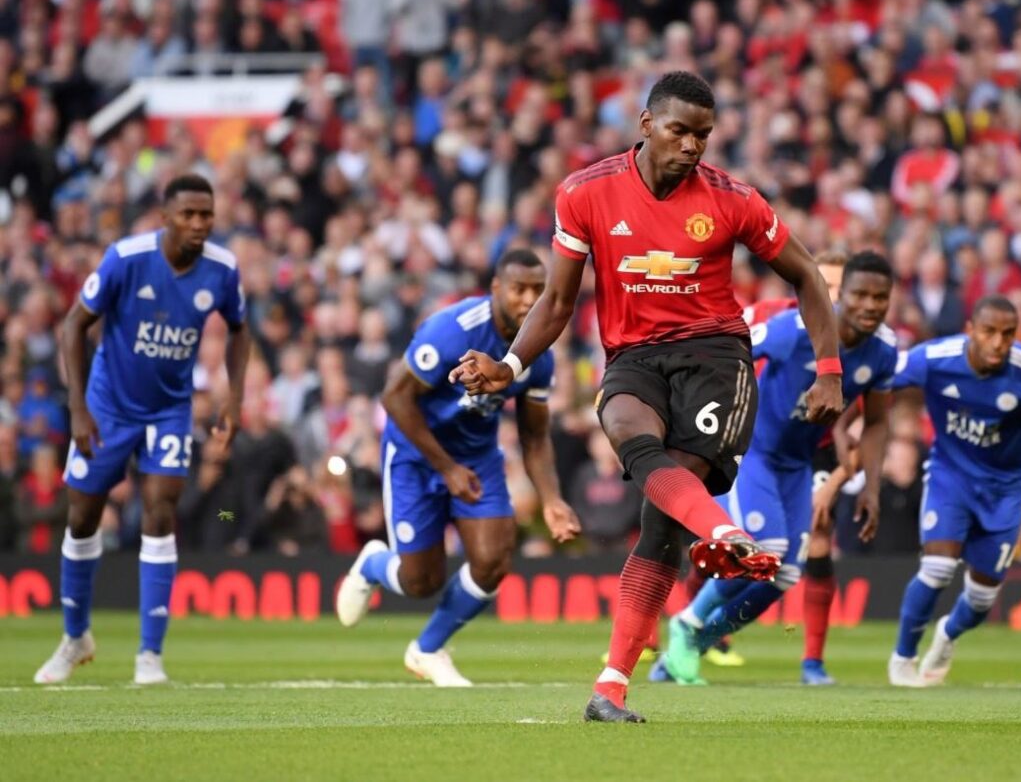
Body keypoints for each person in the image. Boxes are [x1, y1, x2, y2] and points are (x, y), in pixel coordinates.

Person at [450, 71, 844, 722]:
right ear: (646, 124)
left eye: (703, 135)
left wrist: (829, 370)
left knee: (660, 527)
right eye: (679, 130)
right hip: (632, 357)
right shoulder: (585, 192)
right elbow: (558, 300)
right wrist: (511, 364)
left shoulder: (733, 200)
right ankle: (725, 535)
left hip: (716, 359)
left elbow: (807, 275)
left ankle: (610, 686)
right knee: (626, 428)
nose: (692, 145)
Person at [35, 174, 249, 685]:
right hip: (107, 407)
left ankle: (150, 655)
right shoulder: (126, 258)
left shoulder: (222, 268)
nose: (198, 223)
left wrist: (235, 396)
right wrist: (78, 407)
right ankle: (75, 637)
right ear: (165, 216)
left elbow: (240, 329)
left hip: (169, 409)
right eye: (188, 214)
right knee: (82, 515)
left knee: (161, 510)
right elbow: (74, 324)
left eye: (206, 214)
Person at [335, 249, 581, 686]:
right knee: (420, 582)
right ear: (496, 288)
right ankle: (374, 564)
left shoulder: (536, 355)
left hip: (477, 457)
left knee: (493, 560)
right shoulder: (452, 330)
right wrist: (446, 467)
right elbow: (394, 398)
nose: (529, 300)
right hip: (415, 456)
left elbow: (534, 434)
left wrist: (551, 499)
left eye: (537, 290)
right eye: (519, 289)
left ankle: (427, 649)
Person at [653, 251, 897, 687]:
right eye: (858, 294)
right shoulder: (793, 330)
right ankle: (688, 624)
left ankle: (687, 648)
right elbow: (725, 349)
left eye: (879, 297)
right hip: (754, 451)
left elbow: (877, 421)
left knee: (783, 575)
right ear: (837, 295)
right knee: (767, 547)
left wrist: (871, 487)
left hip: (797, 463)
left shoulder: (884, 351)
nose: (868, 305)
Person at [888, 295, 1021, 687]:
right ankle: (903, 658)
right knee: (937, 568)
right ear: (970, 330)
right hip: (950, 475)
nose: (999, 343)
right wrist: (850, 426)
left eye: (1008, 333)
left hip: (1005, 488)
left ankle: (948, 634)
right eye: (989, 332)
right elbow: (877, 380)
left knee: (982, 598)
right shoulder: (933, 358)